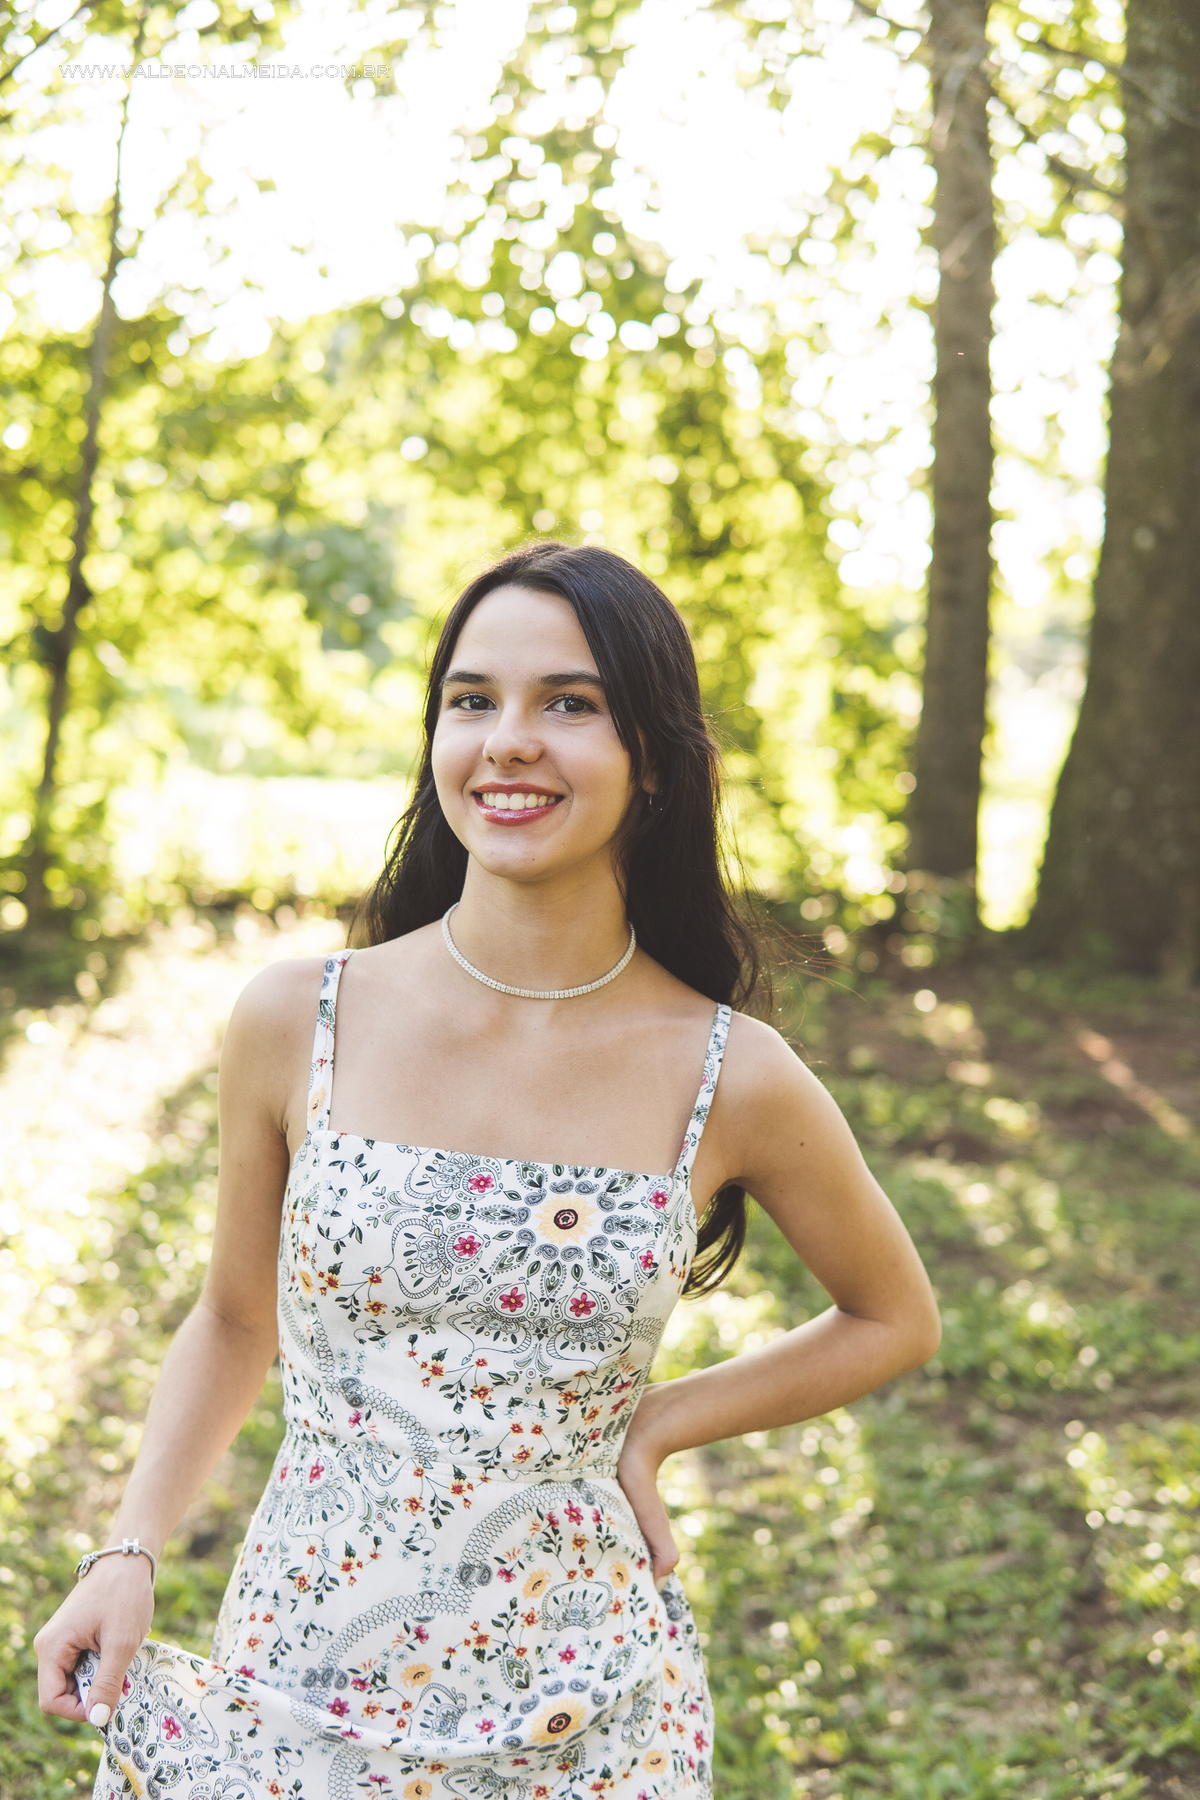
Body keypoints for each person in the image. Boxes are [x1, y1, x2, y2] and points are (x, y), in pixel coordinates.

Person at [35, 542, 940, 1799]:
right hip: (308, 1664)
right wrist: (125, 1550)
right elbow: (237, 1316)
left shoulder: (733, 1072)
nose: (509, 739)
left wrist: (665, 1422)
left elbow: (892, 1315)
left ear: (657, 761)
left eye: (569, 704)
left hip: (588, 1698)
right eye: (474, 700)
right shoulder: (298, 1018)